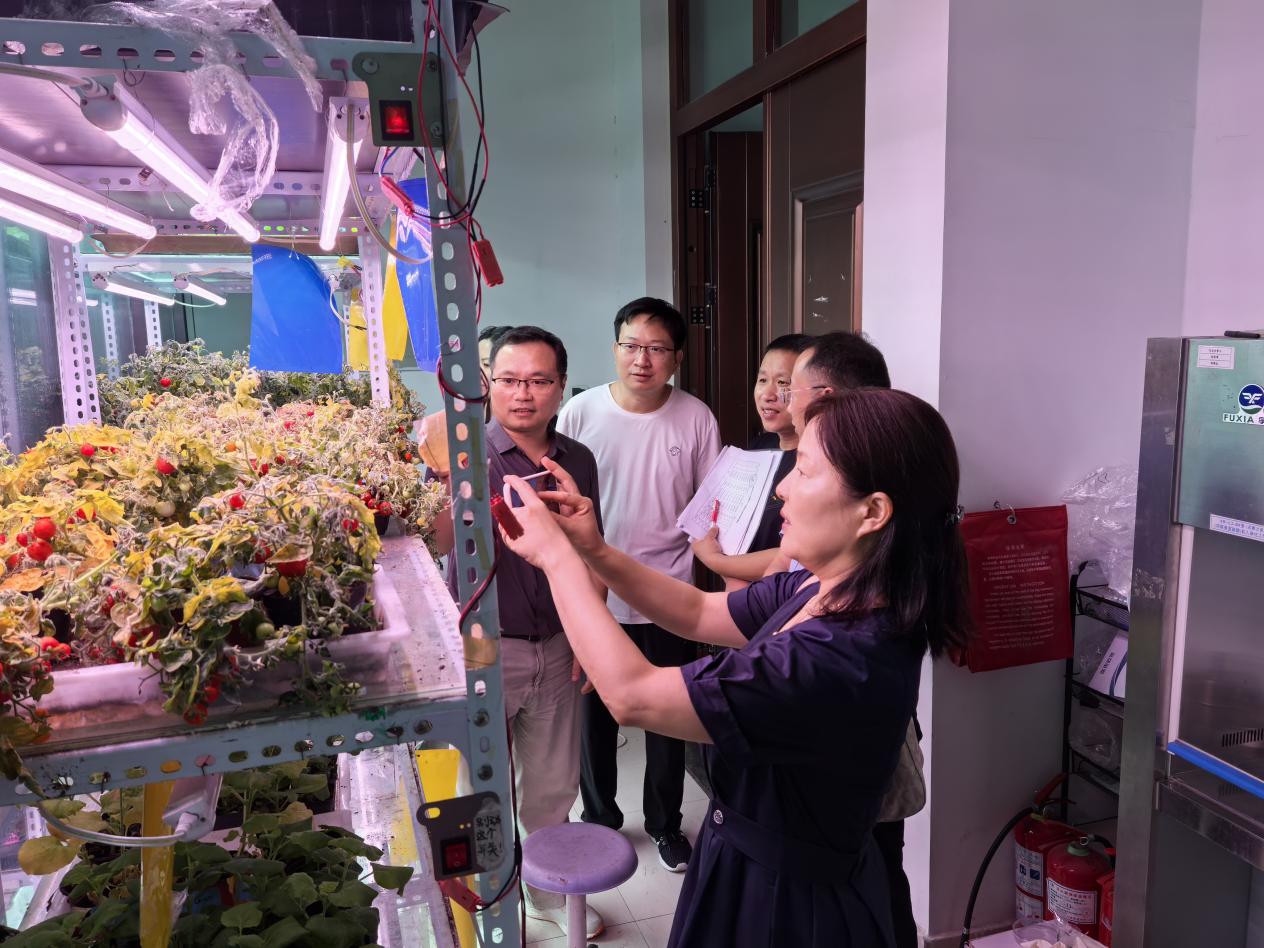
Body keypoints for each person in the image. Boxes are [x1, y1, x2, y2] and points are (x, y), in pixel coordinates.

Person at [496, 388, 969, 947]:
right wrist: (593, 549)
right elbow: (698, 611)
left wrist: (556, 559)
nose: (782, 488)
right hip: (746, 867)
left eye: (805, 471)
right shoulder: (821, 588)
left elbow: (632, 694)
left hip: (790, 907)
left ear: (872, 512)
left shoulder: (837, 656)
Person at [431, 326, 607, 940]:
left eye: (538, 380)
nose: (523, 394)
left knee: (553, 783)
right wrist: (444, 474)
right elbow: (434, 541)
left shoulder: (577, 460)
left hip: (556, 643)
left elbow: (592, 550)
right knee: (472, 786)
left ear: (561, 387)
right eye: (509, 380)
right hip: (484, 645)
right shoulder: (462, 450)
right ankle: (478, 900)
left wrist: (590, 637)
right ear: (489, 385)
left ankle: (546, 890)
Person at [556, 297, 721, 872]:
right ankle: (600, 820)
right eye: (631, 345)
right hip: (594, 593)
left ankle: (665, 825)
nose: (642, 360)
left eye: (656, 349)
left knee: (666, 719)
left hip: (668, 595)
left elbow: (708, 508)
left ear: (677, 357)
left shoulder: (696, 418)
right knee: (594, 719)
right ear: (615, 348)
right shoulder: (580, 413)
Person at [690, 334, 813, 588]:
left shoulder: (816, 462)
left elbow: (797, 553)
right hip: (742, 598)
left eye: (783, 382)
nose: (768, 394)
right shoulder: (757, 448)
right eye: (762, 380)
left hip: (786, 597)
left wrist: (717, 563)